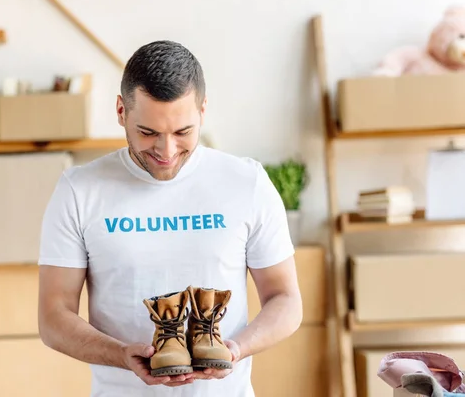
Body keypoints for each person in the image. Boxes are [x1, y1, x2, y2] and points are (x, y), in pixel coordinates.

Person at [37, 40, 303, 397]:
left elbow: (284, 298)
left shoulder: (246, 183)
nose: (166, 151)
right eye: (148, 133)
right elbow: (54, 316)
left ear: (203, 110)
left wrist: (235, 349)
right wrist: (119, 354)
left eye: (182, 132)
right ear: (121, 111)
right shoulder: (79, 190)